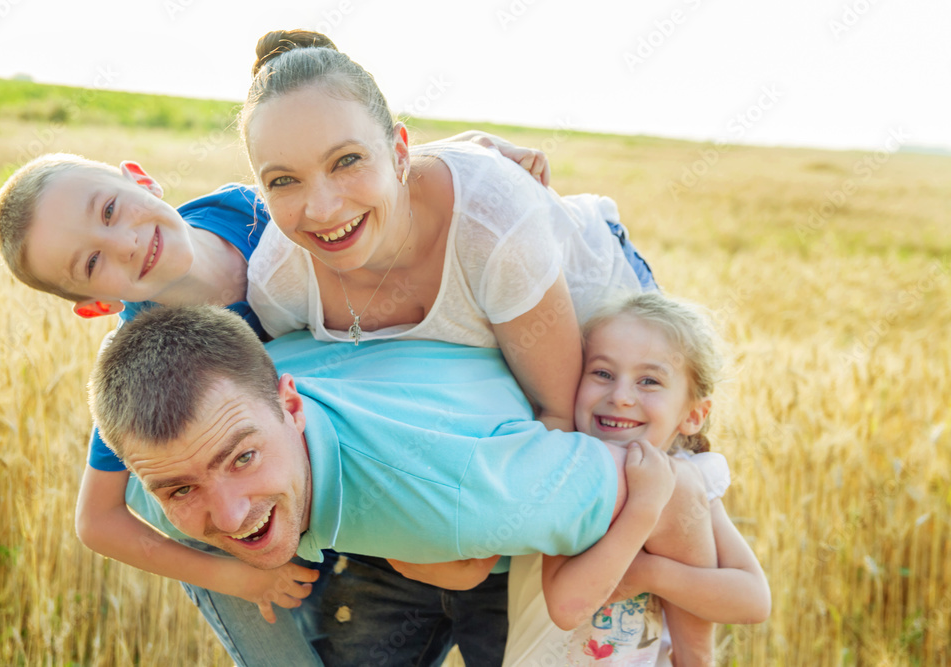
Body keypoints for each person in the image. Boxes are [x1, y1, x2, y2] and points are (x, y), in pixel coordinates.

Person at [0, 133, 551, 666]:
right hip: (339, 507)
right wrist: (246, 579)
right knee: (166, 478)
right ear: (95, 304)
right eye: (92, 263)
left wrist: (468, 158)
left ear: (139, 178)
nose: (125, 242)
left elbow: (355, 172)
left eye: (109, 210)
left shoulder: (254, 211)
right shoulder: (154, 363)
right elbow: (97, 519)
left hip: (430, 430)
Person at [87, 304, 722, 663]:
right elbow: (105, 518)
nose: (227, 515)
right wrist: (236, 572)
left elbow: (679, 493)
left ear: (292, 403)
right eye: (180, 491)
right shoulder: (167, 458)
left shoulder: (456, 495)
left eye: (243, 458)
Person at [243, 30, 657, 438]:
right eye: (283, 181)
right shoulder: (279, 282)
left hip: (615, 316)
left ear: (400, 153)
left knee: (657, 470)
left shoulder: (493, 229)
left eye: (346, 160)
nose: (323, 209)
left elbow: (558, 419)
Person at [504, 292, 771, 666]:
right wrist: (644, 508)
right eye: (602, 373)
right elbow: (568, 606)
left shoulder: (689, 480)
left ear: (693, 414)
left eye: (649, 381)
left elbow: (753, 600)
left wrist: (651, 573)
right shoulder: (569, 472)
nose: (621, 396)